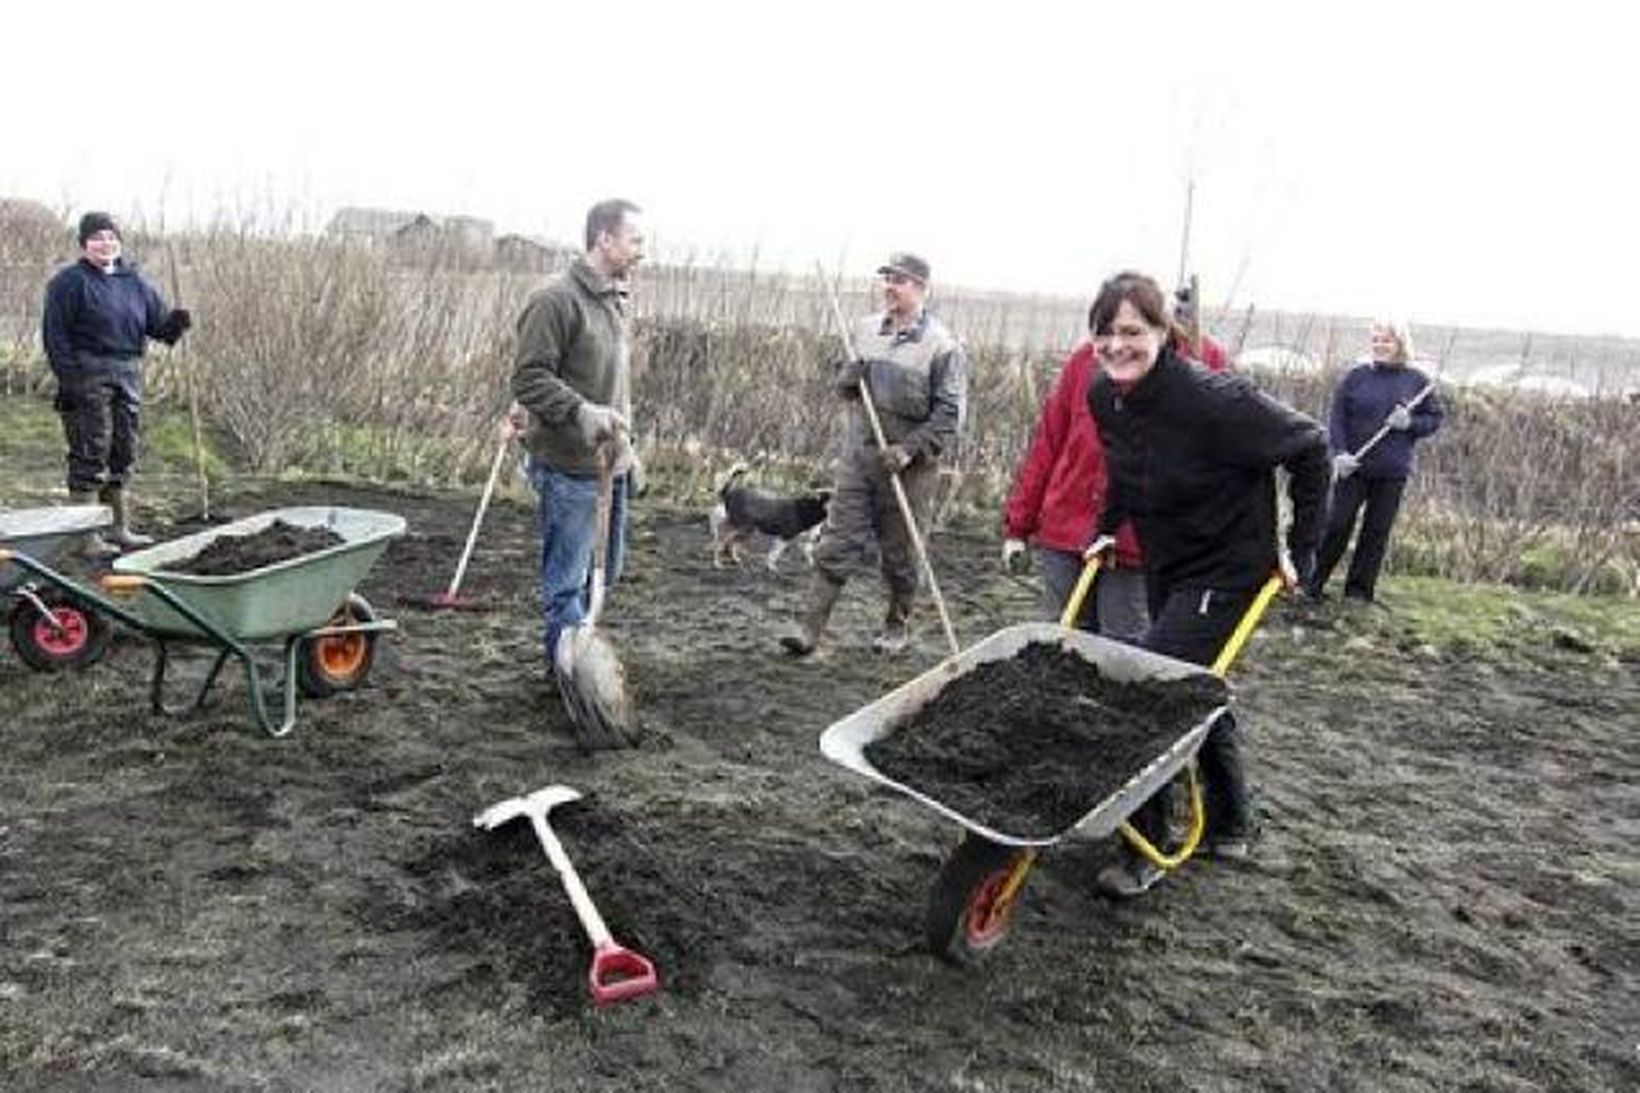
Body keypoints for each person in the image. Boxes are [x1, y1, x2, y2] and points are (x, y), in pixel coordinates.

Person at [1085, 271, 1330, 897]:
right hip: (1170, 562)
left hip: (1229, 570)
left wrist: (1300, 549)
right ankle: (1230, 821)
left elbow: (1311, 447)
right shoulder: (1105, 395)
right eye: (1105, 333)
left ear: (1166, 334)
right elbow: (1123, 463)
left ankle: (1147, 844)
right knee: (1196, 680)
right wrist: (1110, 526)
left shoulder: (1213, 400)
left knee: (1154, 685)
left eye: (1133, 332)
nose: (1118, 346)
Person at [779, 252, 967, 656]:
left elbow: (949, 414)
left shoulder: (941, 345)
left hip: (909, 469)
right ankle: (810, 629)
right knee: (837, 540)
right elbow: (848, 390)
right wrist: (845, 380)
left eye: (898, 281)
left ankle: (896, 626)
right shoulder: (865, 331)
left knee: (900, 554)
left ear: (920, 288)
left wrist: (909, 450)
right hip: (860, 458)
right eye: (886, 280)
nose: (889, 288)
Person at [1002, 314, 1231, 641]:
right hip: (1068, 527)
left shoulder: (1201, 361)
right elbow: (1049, 442)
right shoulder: (1087, 358)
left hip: (1137, 540)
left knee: (1121, 644)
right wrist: (1018, 527)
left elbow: (1216, 457)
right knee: (1057, 639)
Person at [510, 198, 644, 680]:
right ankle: (564, 678)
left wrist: (630, 447)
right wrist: (578, 411)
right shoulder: (555, 299)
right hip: (568, 467)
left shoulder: (615, 298)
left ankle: (575, 658)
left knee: (608, 570)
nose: (641, 251)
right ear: (604, 239)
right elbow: (528, 379)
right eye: (635, 240)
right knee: (567, 584)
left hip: (611, 466)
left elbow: (614, 386)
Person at [41, 211, 191, 554]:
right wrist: (70, 379)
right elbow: (54, 336)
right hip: (86, 372)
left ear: (118, 242)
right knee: (90, 450)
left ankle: (118, 528)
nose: (105, 244)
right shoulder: (68, 283)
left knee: (123, 448)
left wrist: (177, 323)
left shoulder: (134, 282)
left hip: (128, 371)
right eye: (97, 238)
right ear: (84, 244)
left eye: (111, 237)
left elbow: (159, 328)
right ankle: (85, 536)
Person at [1306, 319, 1443, 604]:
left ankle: (1358, 592)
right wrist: (1340, 453)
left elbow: (1434, 420)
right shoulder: (1355, 377)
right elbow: (1337, 418)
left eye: (1387, 340)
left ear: (1400, 345)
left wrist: (1410, 422)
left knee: (1376, 532)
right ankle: (1313, 583)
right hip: (1354, 467)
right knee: (1337, 524)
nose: (1380, 345)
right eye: (1376, 340)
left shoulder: (1417, 382)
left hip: (1392, 472)